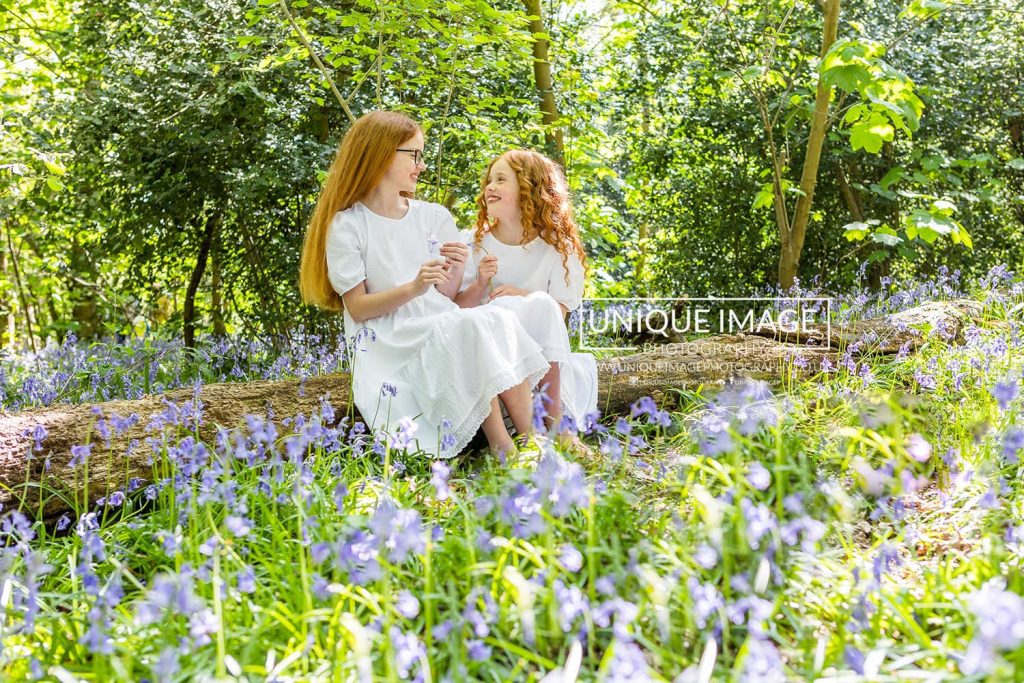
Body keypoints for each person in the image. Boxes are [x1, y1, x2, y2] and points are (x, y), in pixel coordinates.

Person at [298, 111, 551, 457]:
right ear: (382, 155)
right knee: (464, 325)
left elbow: (444, 298)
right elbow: (356, 308)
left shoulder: (433, 216)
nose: (422, 165)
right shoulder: (349, 225)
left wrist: (455, 269)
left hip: (436, 318)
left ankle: (532, 437)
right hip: (387, 334)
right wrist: (414, 288)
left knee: (495, 318)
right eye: (414, 155)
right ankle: (502, 445)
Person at [457, 149, 598, 432]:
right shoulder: (472, 242)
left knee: (539, 304)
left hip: (542, 355)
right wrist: (481, 284)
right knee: (500, 312)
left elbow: (558, 313)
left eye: (501, 180)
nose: (490, 187)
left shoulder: (557, 246)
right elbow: (457, 310)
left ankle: (556, 427)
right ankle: (533, 433)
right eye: (489, 180)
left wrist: (523, 297)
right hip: (490, 356)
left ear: (528, 190)